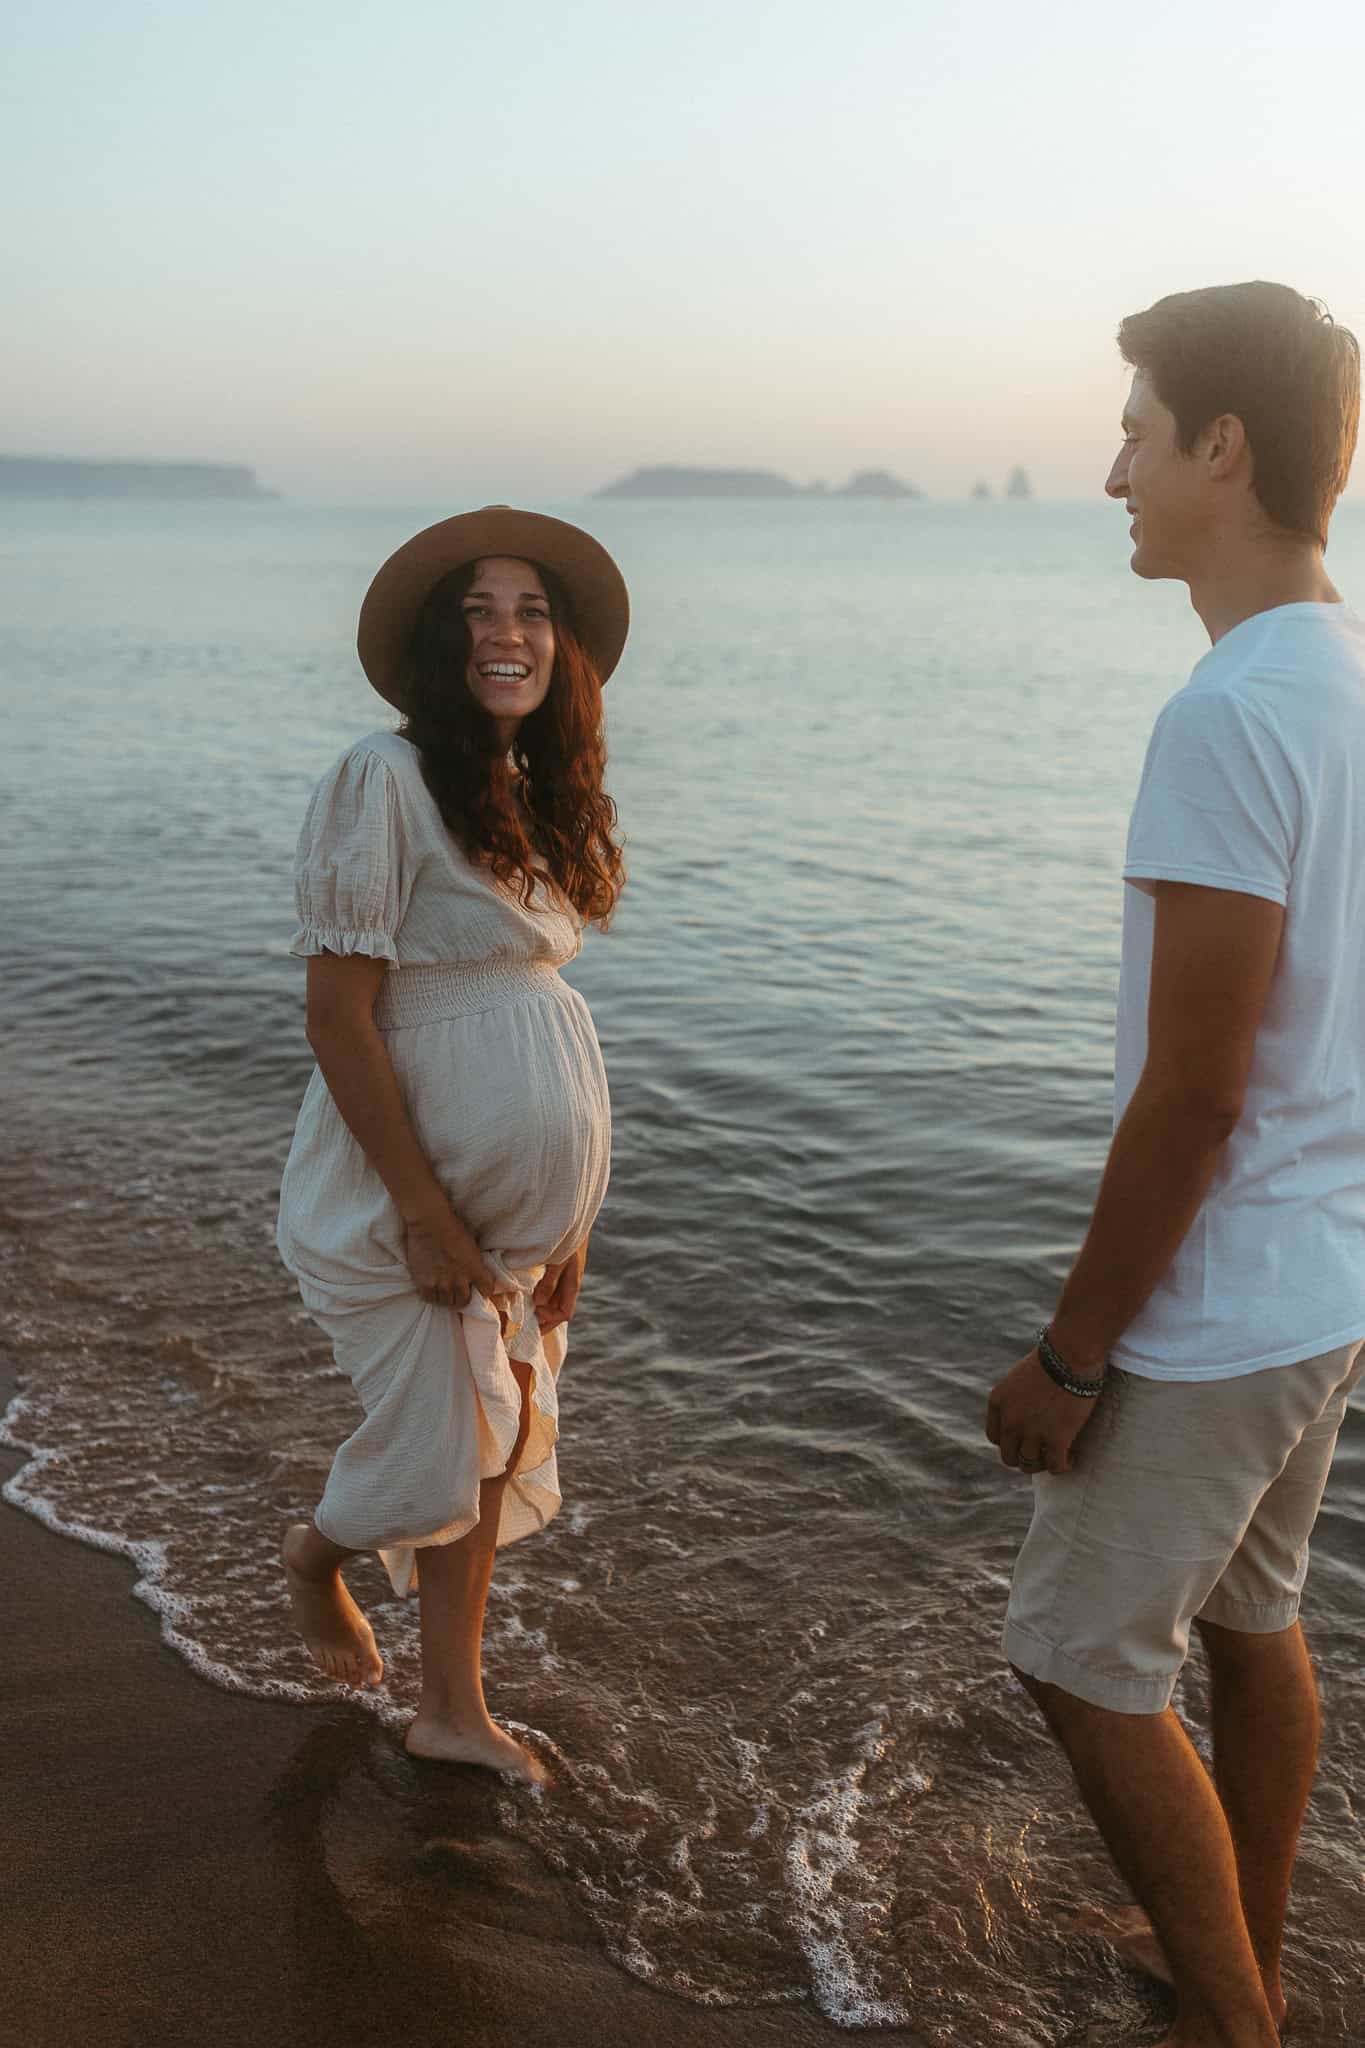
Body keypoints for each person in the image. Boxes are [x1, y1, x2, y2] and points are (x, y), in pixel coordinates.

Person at [986, 282, 1363, 2048]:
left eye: (1135, 432)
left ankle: (1231, 2020)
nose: (1112, 471)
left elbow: (1195, 1094)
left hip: (1222, 1303)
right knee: (1251, 1616)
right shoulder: (1346, 679)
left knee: (1080, 1660)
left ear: (1222, 447)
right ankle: (1236, 1951)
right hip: (1327, 1273)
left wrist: (1071, 1355)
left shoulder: (1226, 716)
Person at [276, 506, 628, 1784]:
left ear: (561, 647)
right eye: (478, 611)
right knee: (435, 1449)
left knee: (492, 1433)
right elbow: (339, 1016)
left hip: (513, 1210)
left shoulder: (533, 793)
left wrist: (567, 1219)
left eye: (531, 611)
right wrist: (425, 1210)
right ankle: (316, 1557)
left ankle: (450, 1708)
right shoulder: (382, 775)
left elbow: (535, 1014)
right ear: (440, 644)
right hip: (403, 1193)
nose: (506, 632)